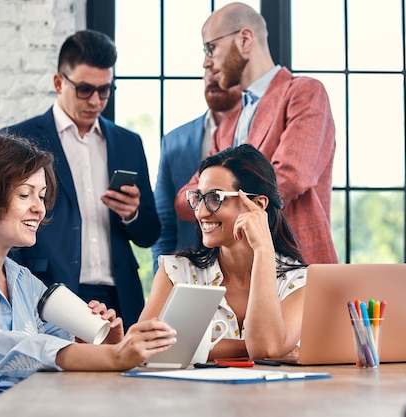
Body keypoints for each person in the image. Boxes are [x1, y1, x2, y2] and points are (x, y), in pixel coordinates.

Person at [0, 136, 176, 417]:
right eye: (25, 194)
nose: (40, 207)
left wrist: (104, 343)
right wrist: (111, 357)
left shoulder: (25, 282)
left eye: (42, 195)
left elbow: (60, 353)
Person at [0, 30, 160, 328]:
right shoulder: (18, 140)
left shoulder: (129, 142)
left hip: (120, 294)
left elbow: (149, 234)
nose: (96, 101)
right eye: (85, 89)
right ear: (59, 83)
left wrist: (132, 214)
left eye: (104, 90)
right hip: (49, 289)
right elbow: (5, 224)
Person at [174, 2, 338, 265]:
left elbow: (290, 177)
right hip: (237, 274)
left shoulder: (304, 93)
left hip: (295, 265)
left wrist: (212, 199)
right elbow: (185, 201)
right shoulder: (229, 121)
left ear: (245, 39)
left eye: (210, 48)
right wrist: (215, 198)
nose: (207, 62)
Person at [140, 144, 306, 360]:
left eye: (214, 198)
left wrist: (263, 248)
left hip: (270, 395)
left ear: (258, 204)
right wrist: (254, 347)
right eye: (198, 198)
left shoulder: (299, 281)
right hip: (192, 394)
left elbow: (265, 348)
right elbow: (143, 346)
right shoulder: (176, 273)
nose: (200, 212)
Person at [151, 68, 241, 273]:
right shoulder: (174, 141)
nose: (213, 76)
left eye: (220, 69)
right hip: (191, 271)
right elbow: (165, 223)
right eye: (208, 69)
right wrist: (163, 277)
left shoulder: (256, 133)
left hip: (246, 270)